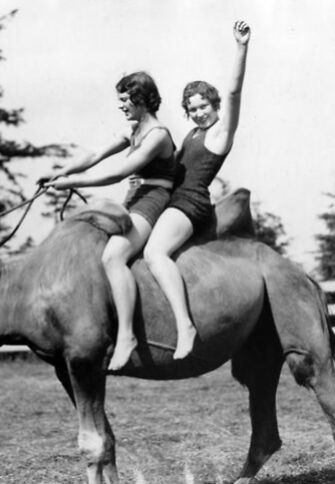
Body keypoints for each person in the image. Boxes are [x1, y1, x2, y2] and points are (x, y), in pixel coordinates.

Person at [45, 71, 177, 371]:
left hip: (153, 200)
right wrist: (62, 172)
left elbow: (119, 172)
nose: (121, 106)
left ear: (142, 99)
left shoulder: (158, 135)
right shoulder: (134, 128)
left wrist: (73, 183)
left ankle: (127, 337)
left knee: (114, 257)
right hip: (134, 197)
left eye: (125, 99)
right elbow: (95, 154)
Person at [141, 20, 251, 362]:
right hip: (172, 200)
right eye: (193, 109)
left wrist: (241, 47)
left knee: (155, 254)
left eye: (204, 106)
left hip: (191, 203)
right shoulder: (190, 136)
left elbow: (234, 91)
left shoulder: (220, 134)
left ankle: (185, 326)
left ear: (215, 105)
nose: (199, 113)